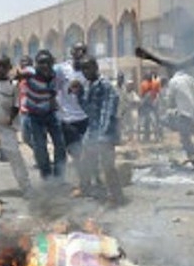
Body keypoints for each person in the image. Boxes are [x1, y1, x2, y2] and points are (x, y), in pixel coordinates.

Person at [0, 54, 32, 197]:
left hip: (6, 125)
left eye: (4, 66)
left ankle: (26, 187)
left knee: (15, 156)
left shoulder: (14, 84)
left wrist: (10, 118)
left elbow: (16, 105)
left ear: (9, 67)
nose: (1, 69)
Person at [78, 55, 124, 206]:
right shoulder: (88, 85)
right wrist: (78, 94)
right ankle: (85, 188)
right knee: (85, 161)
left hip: (105, 133)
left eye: (88, 68)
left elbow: (108, 110)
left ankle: (116, 196)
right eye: (83, 69)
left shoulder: (105, 85)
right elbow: (88, 110)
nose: (85, 72)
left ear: (95, 67)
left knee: (108, 166)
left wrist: (102, 135)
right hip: (93, 130)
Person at [19, 49, 67, 181]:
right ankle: (47, 177)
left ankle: (59, 176)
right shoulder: (30, 72)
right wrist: (18, 76)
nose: (44, 66)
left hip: (51, 113)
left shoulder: (56, 72)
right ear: (36, 64)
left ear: (52, 63)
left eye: (47, 62)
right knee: (40, 147)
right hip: (34, 116)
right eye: (41, 63)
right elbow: (19, 73)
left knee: (60, 144)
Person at [55, 42, 89, 195]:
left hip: (86, 118)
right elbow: (53, 88)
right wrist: (58, 109)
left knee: (88, 151)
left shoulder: (89, 70)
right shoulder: (62, 69)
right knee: (76, 153)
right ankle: (82, 183)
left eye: (83, 51)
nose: (80, 53)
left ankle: (87, 182)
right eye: (77, 50)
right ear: (72, 52)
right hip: (68, 119)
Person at [164, 66, 194, 169]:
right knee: (188, 137)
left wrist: (169, 107)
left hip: (184, 114)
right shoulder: (189, 78)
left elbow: (169, 99)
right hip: (193, 113)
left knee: (185, 139)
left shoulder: (173, 81)